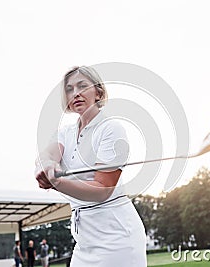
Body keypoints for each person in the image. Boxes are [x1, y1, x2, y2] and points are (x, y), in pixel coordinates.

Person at [35, 66, 147, 267]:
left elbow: (102, 190)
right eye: (69, 89)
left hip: (117, 236)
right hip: (84, 240)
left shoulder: (111, 129)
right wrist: (46, 165)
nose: (75, 93)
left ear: (99, 92)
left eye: (82, 86)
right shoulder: (65, 133)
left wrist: (56, 183)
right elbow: (48, 154)